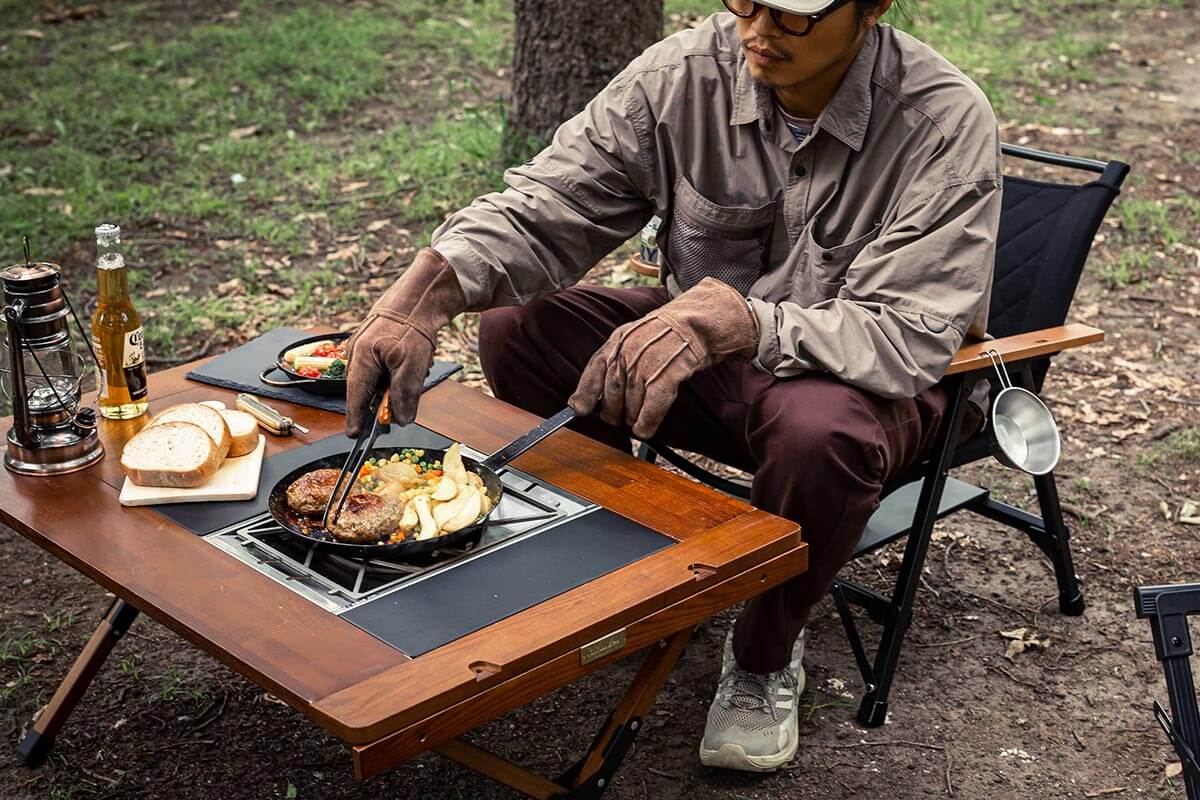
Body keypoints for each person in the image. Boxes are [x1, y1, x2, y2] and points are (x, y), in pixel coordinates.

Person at [345, 0, 1000, 773]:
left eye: (792, 15)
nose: (757, 30)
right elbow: (551, 202)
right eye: (745, 1)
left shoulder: (942, 120)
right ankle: (612, 583)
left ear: (871, 9)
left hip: (858, 381)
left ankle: (762, 659)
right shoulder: (686, 73)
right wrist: (425, 290)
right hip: (699, 361)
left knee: (817, 431)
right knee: (519, 328)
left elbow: (907, 334)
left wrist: (742, 322)